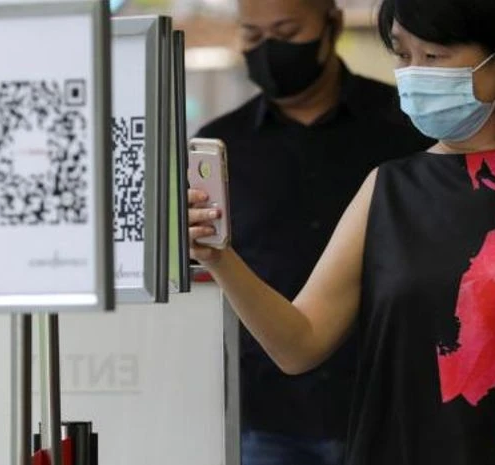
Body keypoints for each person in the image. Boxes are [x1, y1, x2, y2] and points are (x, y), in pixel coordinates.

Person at [189, 0, 495, 462]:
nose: (414, 73)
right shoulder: (386, 188)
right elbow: (298, 345)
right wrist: (220, 257)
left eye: (434, 57)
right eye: (403, 55)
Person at [194, 0, 431, 463]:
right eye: (254, 36)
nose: (270, 50)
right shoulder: (221, 144)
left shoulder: (406, 128)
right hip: (267, 412)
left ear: (332, 25)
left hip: (390, 402)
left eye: (285, 31)